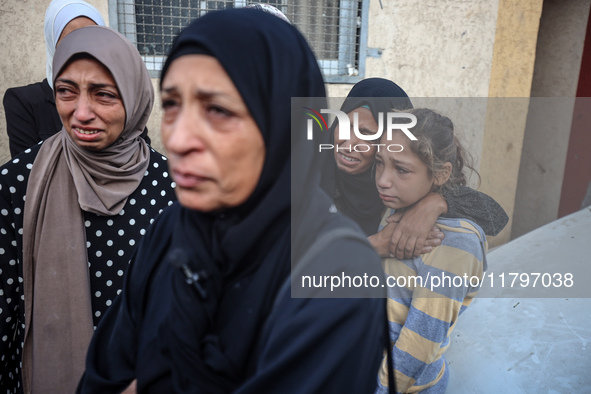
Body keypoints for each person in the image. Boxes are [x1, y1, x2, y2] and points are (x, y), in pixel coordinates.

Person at [77, 8, 385, 393]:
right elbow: (103, 376)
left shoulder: (339, 271)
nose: (178, 139)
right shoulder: (170, 232)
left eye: (218, 110)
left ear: (280, 124)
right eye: (172, 105)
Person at [0, 26, 175, 393]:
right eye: (65, 91)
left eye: (103, 94)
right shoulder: (18, 184)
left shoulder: (171, 185)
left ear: (134, 96)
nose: (81, 113)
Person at [374, 108, 487, 393]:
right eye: (379, 163)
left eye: (401, 169)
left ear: (440, 174)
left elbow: (418, 346)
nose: (383, 180)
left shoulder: (454, 246)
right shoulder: (397, 207)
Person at [329, 78, 508, 258]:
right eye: (344, 126)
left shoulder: (399, 187)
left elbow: (496, 217)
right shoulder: (308, 174)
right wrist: (374, 245)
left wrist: (436, 203)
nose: (347, 144)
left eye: (366, 133)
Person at [2, 0, 149, 159]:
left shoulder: (125, 96)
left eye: (91, 38)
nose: (83, 114)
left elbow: (140, 155)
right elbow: (29, 174)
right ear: (53, 44)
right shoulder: (25, 101)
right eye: (65, 91)